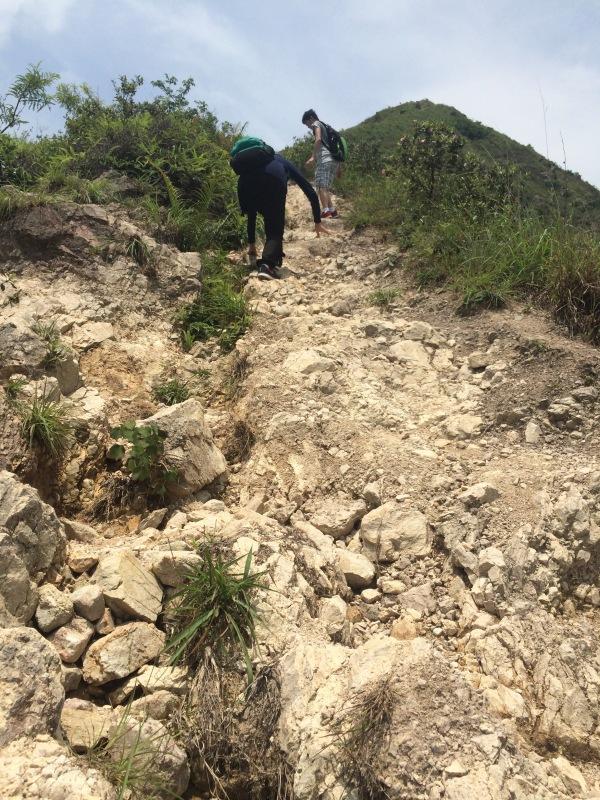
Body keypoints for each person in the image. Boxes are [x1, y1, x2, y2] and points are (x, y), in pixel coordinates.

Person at [236, 151, 330, 281]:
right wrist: (317, 221)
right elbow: (309, 190)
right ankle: (267, 266)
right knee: (275, 227)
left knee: (253, 213)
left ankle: (259, 252)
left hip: (244, 184)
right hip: (273, 181)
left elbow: (251, 215)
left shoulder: (251, 166)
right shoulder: (281, 161)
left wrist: (251, 244)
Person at [302, 109, 339, 219]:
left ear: (311, 118)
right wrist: (339, 167)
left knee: (321, 186)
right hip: (334, 161)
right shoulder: (326, 127)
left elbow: (318, 139)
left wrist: (313, 156)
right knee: (325, 187)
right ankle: (332, 211)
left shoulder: (316, 123)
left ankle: (325, 211)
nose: (308, 127)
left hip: (324, 159)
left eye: (307, 123)